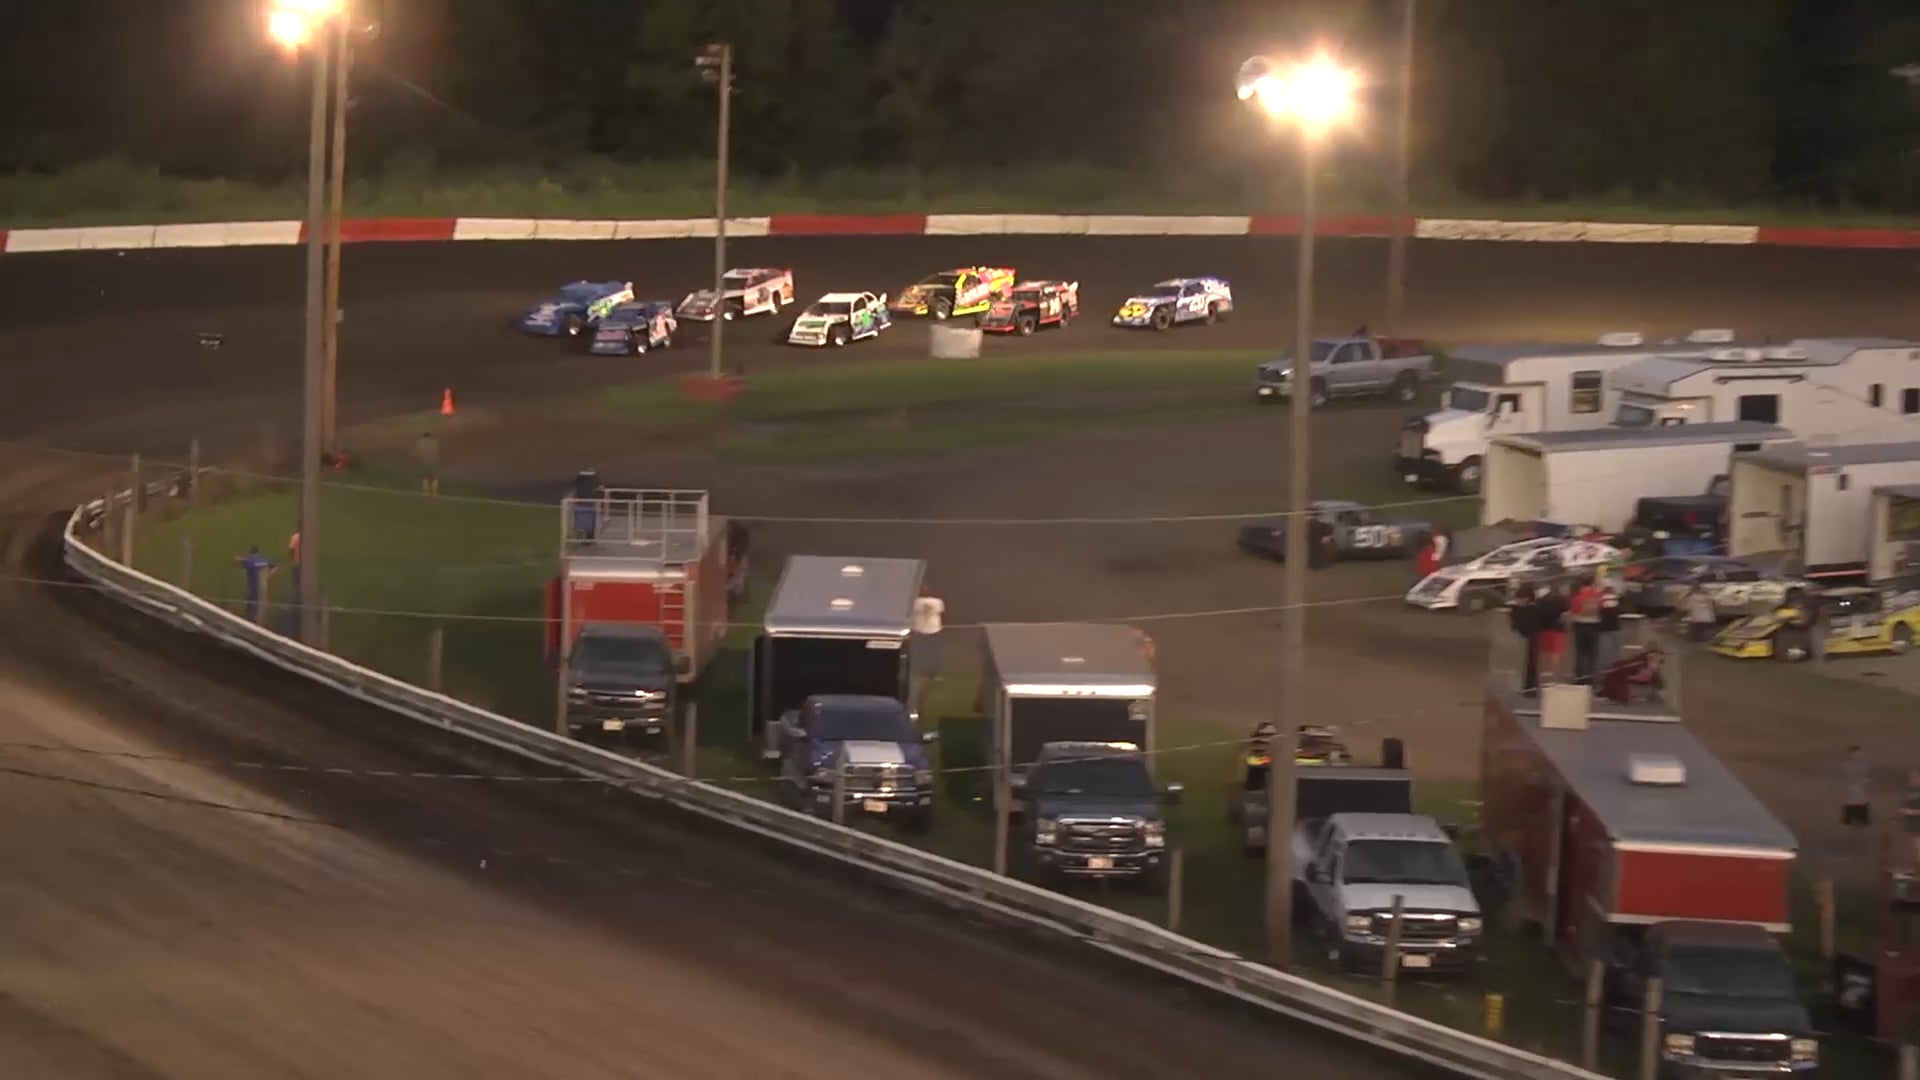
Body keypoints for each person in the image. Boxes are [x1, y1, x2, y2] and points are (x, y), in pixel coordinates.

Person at [1568, 575, 1603, 683]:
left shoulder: (1577, 596)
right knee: (1593, 654)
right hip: (1595, 625)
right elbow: (1601, 609)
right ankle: (1593, 678)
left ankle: (1581, 678)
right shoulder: (1597, 596)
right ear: (1592, 583)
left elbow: (1574, 610)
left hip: (1580, 625)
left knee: (1581, 653)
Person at [234, 544, 275, 624]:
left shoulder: (249, 560)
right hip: (264, 585)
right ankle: (259, 620)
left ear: (250, 552)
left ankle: (250, 619)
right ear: (258, 552)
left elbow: (242, 561)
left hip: (253, 586)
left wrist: (236, 558)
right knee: (261, 603)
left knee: (251, 603)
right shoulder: (263, 559)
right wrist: (269, 574)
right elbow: (274, 566)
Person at [912, 588, 946, 681]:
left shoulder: (916, 602)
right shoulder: (937, 602)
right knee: (930, 653)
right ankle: (930, 673)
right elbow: (942, 615)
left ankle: (928, 673)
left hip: (926, 629)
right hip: (929, 629)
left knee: (924, 653)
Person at [1840, 745, 1872, 828]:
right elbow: (1848, 775)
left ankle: (1861, 820)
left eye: (1860, 753)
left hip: (1859, 787)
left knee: (1861, 802)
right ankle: (1850, 820)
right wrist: (1862, 779)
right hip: (1853, 787)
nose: (1859, 755)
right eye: (1857, 753)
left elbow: (1864, 773)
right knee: (1854, 802)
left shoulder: (1862, 764)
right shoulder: (1847, 764)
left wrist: (1865, 779)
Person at [415, 430, 440, 495]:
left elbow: (417, 454)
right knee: (435, 478)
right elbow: (437, 452)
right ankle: (434, 493)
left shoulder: (420, 442)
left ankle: (426, 493)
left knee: (424, 478)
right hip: (433, 461)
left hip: (424, 462)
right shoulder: (435, 442)